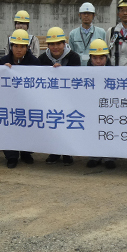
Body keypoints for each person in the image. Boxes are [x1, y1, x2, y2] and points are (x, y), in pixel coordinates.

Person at [39, 27, 80, 165]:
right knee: (53, 125)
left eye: (58, 43)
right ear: (48, 45)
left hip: (69, 99)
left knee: (68, 125)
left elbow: (76, 79)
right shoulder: (42, 59)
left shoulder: (74, 57)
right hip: (50, 99)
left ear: (64, 43)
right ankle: (54, 152)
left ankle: (68, 153)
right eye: (52, 44)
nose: (55, 47)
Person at [0, 29, 40, 168]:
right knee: (9, 128)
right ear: (11, 46)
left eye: (22, 46)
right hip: (8, 103)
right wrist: (3, 71)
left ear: (27, 47)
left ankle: (26, 153)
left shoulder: (34, 62)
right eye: (15, 46)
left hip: (27, 102)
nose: (18, 49)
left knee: (28, 126)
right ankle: (11, 156)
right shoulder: (4, 61)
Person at [83, 39, 117, 170]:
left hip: (108, 108)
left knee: (109, 131)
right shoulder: (84, 73)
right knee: (93, 130)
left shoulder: (114, 73)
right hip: (92, 108)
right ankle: (94, 156)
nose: (98, 61)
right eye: (95, 58)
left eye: (101, 58)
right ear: (90, 58)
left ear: (106, 57)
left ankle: (110, 156)